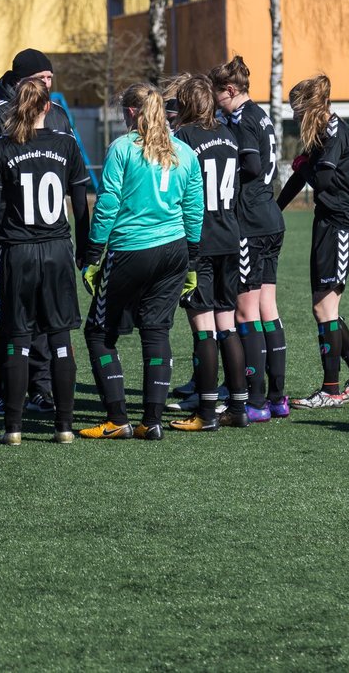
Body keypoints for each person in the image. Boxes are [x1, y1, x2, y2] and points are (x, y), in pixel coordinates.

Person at [79, 83, 203, 441]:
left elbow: (107, 204)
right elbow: (194, 210)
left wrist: (92, 254)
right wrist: (191, 260)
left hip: (131, 250)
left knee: (99, 333)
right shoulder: (184, 152)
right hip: (174, 251)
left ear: (131, 113)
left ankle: (117, 418)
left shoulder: (122, 148)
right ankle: (152, 420)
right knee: (157, 331)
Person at [0, 78, 91, 444]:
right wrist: (86, 251)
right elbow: (80, 203)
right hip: (57, 249)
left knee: (17, 340)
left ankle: (12, 428)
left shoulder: (2, 147)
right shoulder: (66, 144)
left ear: (15, 108)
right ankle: (64, 426)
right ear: (47, 107)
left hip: (18, 251)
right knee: (60, 339)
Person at [0, 48, 73, 414]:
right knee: (9, 317)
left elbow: (69, 167)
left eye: (50, 78)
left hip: (49, 232)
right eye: (40, 79)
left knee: (48, 318)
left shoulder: (57, 114)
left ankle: (42, 389)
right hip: (9, 234)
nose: (47, 84)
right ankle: (4, 391)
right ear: (21, 80)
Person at [277, 74, 349, 408]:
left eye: (295, 109)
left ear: (310, 107)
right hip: (326, 222)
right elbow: (302, 174)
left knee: (324, 307)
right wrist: (274, 209)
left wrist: (303, 165)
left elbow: (320, 178)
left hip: (343, 224)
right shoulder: (320, 132)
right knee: (324, 307)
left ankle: (331, 390)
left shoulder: (334, 130)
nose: (293, 116)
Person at [164, 75, 251, 432]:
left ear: (186, 104)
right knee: (226, 324)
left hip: (201, 239)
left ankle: (206, 412)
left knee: (203, 326)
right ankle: (239, 409)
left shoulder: (184, 137)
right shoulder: (229, 136)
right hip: (230, 237)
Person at [210, 55, 289, 421]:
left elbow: (252, 165)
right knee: (267, 308)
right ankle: (276, 397)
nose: (214, 102)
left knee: (245, 310)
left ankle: (255, 401)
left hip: (251, 222)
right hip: (270, 218)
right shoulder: (260, 115)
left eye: (217, 95)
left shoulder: (242, 120)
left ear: (230, 90)